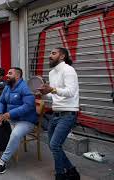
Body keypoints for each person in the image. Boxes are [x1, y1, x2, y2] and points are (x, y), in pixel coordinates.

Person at [37, 47, 80, 180]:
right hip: (56, 114)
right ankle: (72, 171)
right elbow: (55, 95)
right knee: (52, 145)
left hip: (68, 114)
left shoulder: (68, 70)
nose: (50, 56)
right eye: (50, 53)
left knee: (55, 145)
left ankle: (60, 175)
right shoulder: (51, 73)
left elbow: (70, 92)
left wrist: (53, 89)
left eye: (53, 53)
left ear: (62, 56)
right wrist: (45, 93)